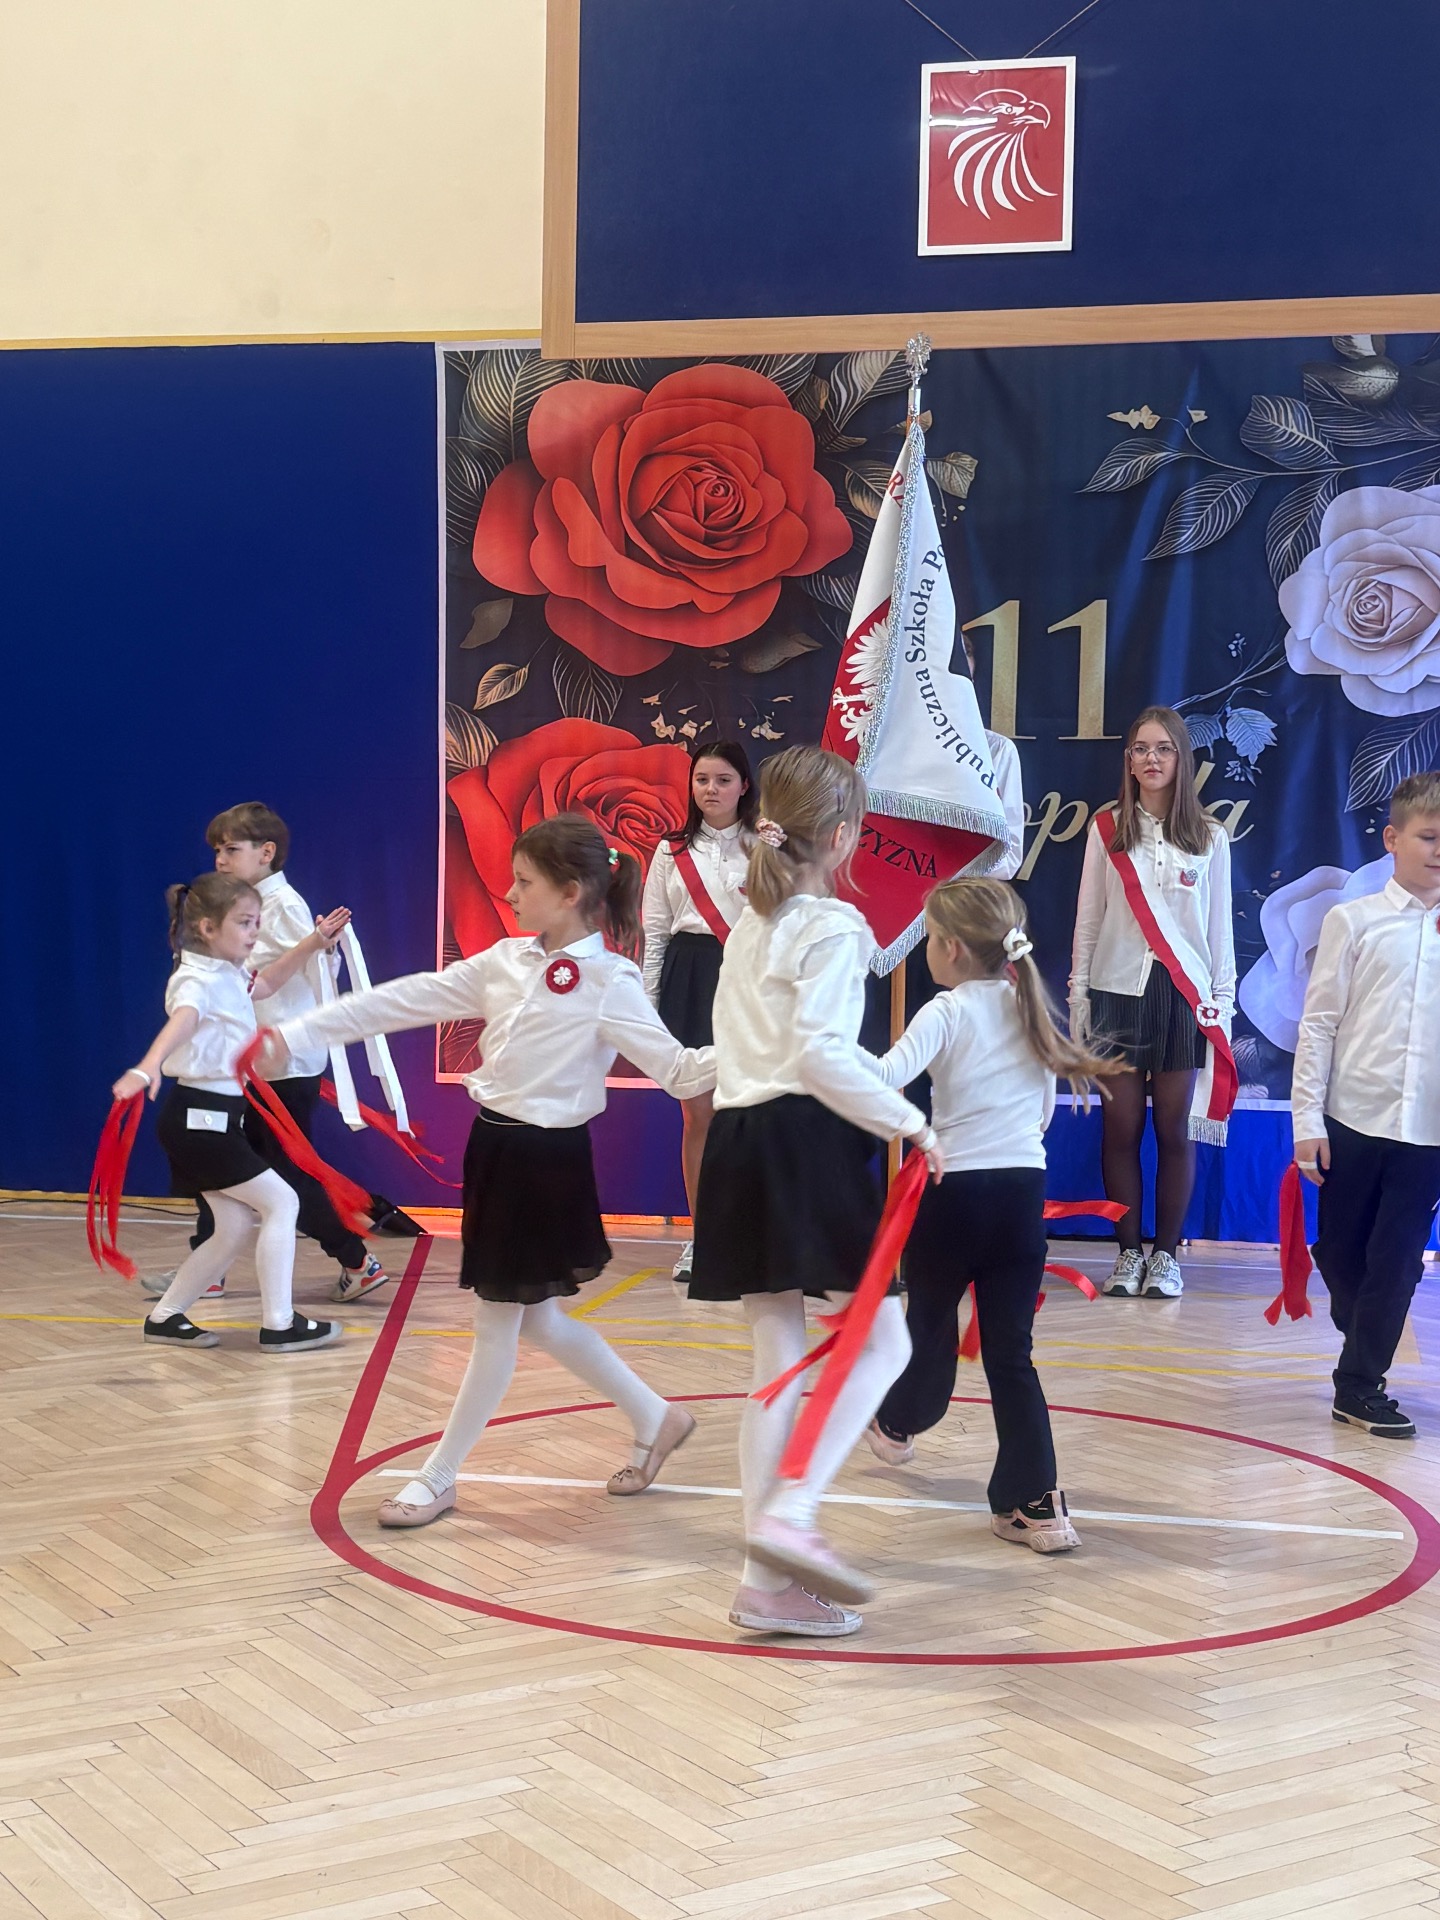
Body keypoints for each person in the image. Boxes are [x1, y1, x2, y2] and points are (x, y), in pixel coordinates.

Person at [259, 813, 715, 1527]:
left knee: (498, 1323)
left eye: (524, 882)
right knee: (539, 1321)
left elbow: (681, 1072)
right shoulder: (503, 961)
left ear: (569, 893)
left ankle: (439, 1476)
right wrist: (296, 1032)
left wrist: (767, 1051)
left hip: (549, 1164)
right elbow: (404, 999)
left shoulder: (611, 980)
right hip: (495, 1152)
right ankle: (657, 1418)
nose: (509, 892)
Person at [689, 746, 943, 1639]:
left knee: (775, 1361)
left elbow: (755, 1054)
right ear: (841, 837)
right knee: (886, 1339)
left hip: (739, 1143)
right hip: (803, 1143)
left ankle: (764, 1585)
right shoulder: (833, 927)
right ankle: (791, 1512)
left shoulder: (750, 926)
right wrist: (912, 1125)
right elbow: (822, 1058)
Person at [864, 877, 1120, 1548]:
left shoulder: (946, 1011)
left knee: (927, 1325)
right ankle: (1038, 1505)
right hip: (1021, 1200)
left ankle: (899, 1422)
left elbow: (883, 1080)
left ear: (951, 947)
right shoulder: (1027, 1005)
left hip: (954, 1195)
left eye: (927, 937)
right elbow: (1041, 1116)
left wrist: (821, 1048)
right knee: (1012, 1356)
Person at [142, 802, 391, 1306]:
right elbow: (259, 979)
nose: (221, 859)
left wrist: (319, 946)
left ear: (267, 852)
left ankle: (356, 1260)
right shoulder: (251, 903)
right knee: (223, 1164)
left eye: (232, 849)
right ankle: (209, 1268)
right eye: (217, 850)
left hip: (279, 1067)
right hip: (252, 1067)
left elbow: (296, 979)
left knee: (283, 1172)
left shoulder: (282, 906)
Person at [113, 873, 348, 1353]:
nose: (253, 932)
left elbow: (269, 982)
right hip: (200, 1120)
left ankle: (165, 1317)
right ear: (207, 928)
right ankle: (280, 1324)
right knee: (282, 1203)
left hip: (212, 1120)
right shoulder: (195, 980)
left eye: (256, 922)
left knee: (235, 1224)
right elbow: (184, 1019)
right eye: (244, 923)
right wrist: (147, 1065)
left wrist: (315, 941)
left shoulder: (231, 973)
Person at [1069, 706, 1235, 1299]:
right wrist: (1080, 997)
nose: (1151, 759)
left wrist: (1222, 1003)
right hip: (1116, 991)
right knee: (1120, 1128)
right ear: (1129, 760)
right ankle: (1128, 1254)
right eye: (1141, 748)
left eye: (1163, 748)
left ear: (1182, 758)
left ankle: (1166, 1256)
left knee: (1173, 1129)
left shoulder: (1210, 837)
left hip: (1182, 997)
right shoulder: (1107, 829)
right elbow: (1089, 922)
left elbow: (1219, 933)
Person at [1292, 772, 1440, 1439]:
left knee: (1399, 1260)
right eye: (1428, 836)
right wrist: (1306, 1121)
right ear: (1392, 839)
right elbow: (1319, 1024)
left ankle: (1359, 1384)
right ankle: (1364, 1336)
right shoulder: (1353, 920)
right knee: (1340, 1249)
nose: (1438, 851)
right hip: (1352, 1119)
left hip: (1429, 1131)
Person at [641, 741, 756, 1284]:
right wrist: (646, 1006)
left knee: (753, 1114)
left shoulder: (766, 845)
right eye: (702, 779)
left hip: (748, 979)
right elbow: (655, 934)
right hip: (689, 979)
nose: (711, 789)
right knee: (698, 1115)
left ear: (744, 786)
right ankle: (703, 1236)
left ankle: (753, 1235)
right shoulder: (671, 851)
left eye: (723, 779)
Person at [962, 631, 1025, 881]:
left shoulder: (998, 751)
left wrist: (940, 864)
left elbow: (1010, 858)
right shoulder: (893, 746)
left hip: (961, 900)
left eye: (964, 680)